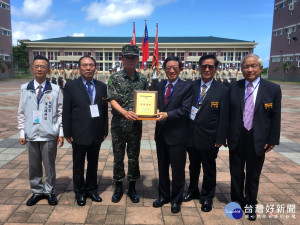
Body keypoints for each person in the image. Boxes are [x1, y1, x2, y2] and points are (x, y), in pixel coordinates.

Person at [228, 54, 281, 221]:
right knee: (236, 172)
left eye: (253, 66)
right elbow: (227, 115)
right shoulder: (233, 87)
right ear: (241, 69)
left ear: (260, 68)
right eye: (246, 66)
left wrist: (273, 139)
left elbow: (275, 117)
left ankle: (250, 204)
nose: (249, 69)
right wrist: (224, 136)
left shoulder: (272, 89)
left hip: (258, 138)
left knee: (253, 173)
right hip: (237, 136)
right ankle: (237, 202)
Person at [182, 55, 229, 212]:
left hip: (210, 137)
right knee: (193, 166)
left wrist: (221, 138)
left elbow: (224, 117)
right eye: (204, 66)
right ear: (199, 68)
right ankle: (193, 190)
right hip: (191, 135)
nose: (207, 69)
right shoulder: (191, 86)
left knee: (209, 168)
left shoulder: (223, 90)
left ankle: (207, 197)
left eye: (210, 66)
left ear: (215, 69)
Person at [17, 55, 64, 206]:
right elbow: (21, 112)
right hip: (31, 134)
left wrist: (60, 133)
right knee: (34, 166)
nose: (39, 69)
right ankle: (37, 191)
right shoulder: (25, 89)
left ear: (48, 70)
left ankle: (50, 191)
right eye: (36, 66)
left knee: (49, 166)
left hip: (49, 134)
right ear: (32, 69)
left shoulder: (55, 89)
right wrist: (22, 132)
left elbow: (60, 112)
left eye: (42, 66)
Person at [62, 55, 108, 206]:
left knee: (93, 163)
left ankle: (92, 190)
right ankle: (80, 192)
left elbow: (104, 110)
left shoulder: (101, 86)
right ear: (79, 68)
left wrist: (105, 129)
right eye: (85, 65)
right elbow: (66, 111)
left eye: (91, 65)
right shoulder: (70, 86)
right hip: (78, 133)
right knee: (78, 164)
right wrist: (67, 132)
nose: (88, 68)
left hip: (96, 133)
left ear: (95, 68)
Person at [107, 45, 147, 203]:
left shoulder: (142, 79)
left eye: (133, 58)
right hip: (118, 124)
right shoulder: (114, 78)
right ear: (121, 59)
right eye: (127, 57)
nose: (130, 61)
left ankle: (132, 186)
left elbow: (146, 99)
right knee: (118, 157)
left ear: (138, 59)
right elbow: (111, 99)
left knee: (133, 157)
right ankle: (118, 186)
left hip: (136, 125)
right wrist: (124, 112)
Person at [153, 56, 193, 213]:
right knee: (162, 168)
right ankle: (164, 196)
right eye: (168, 67)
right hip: (161, 134)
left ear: (180, 69)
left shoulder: (187, 86)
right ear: (164, 70)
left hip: (178, 135)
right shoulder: (160, 85)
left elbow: (185, 110)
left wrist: (166, 115)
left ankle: (176, 199)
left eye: (175, 67)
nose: (171, 70)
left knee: (177, 170)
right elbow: (155, 104)